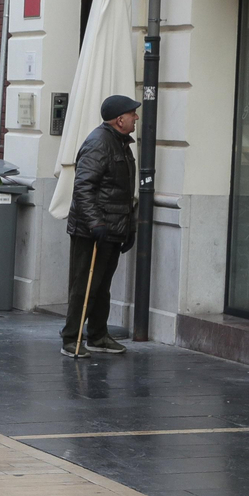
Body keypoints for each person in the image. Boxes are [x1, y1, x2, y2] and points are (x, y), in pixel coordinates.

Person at [62, 94, 141, 357]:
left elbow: (123, 192)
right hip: (92, 230)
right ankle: (72, 338)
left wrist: (129, 228)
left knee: (102, 285)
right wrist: (96, 223)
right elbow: (84, 187)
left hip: (113, 228)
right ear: (120, 120)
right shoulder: (99, 143)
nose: (136, 118)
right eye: (132, 114)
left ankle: (98, 335)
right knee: (84, 285)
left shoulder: (120, 144)